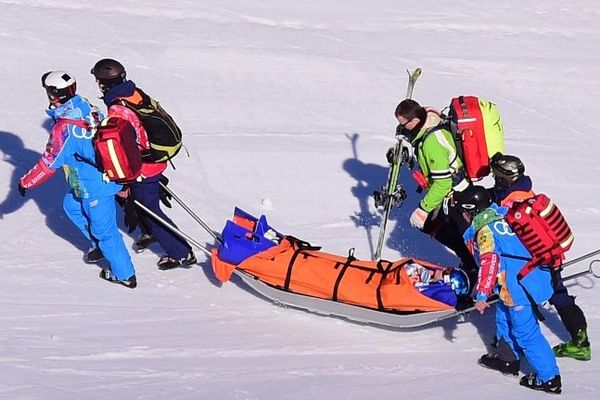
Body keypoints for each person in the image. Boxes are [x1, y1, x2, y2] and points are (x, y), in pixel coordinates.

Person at [19, 71, 137, 288]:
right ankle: (98, 246)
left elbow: (48, 163)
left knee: (106, 232)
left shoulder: (64, 129)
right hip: (89, 180)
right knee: (71, 206)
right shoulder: (83, 104)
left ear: (53, 95)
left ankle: (125, 275)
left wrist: (25, 183)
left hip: (97, 186)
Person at [453, 185, 561, 394]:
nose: (464, 217)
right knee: (503, 315)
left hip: (519, 287)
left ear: (472, 210)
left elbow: (489, 262)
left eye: (464, 212)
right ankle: (507, 359)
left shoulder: (485, 232)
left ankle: (550, 379)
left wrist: (482, 293)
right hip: (529, 278)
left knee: (526, 333)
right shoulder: (504, 215)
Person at [90, 58, 196, 270]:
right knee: (139, 202)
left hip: (145, 166)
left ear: (103, 82)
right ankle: (149, 231)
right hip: (159, 158)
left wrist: (125, 176)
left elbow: (127, 144)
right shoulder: (134, 92)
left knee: (149, 209)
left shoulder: (118, 109)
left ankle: (181, 253)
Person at [490, 153, 591, 361]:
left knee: (520, 297)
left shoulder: (510, 202)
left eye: (496, 176)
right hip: (550, 254)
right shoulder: (526, 190)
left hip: (533, 260)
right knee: (557, 292)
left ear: (503, 178)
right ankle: (581, 340)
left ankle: (510, 341)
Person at [394, 99, 478, 286]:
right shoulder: (428, 124)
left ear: (415, 120)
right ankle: (470, 265)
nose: (402, 128)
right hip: (451, 194)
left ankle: (474, 270)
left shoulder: (431, 141)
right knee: (446, 230)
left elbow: (443, 183)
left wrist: (423, 209)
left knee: (435, 225)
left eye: (404, 125)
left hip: (455, 195)